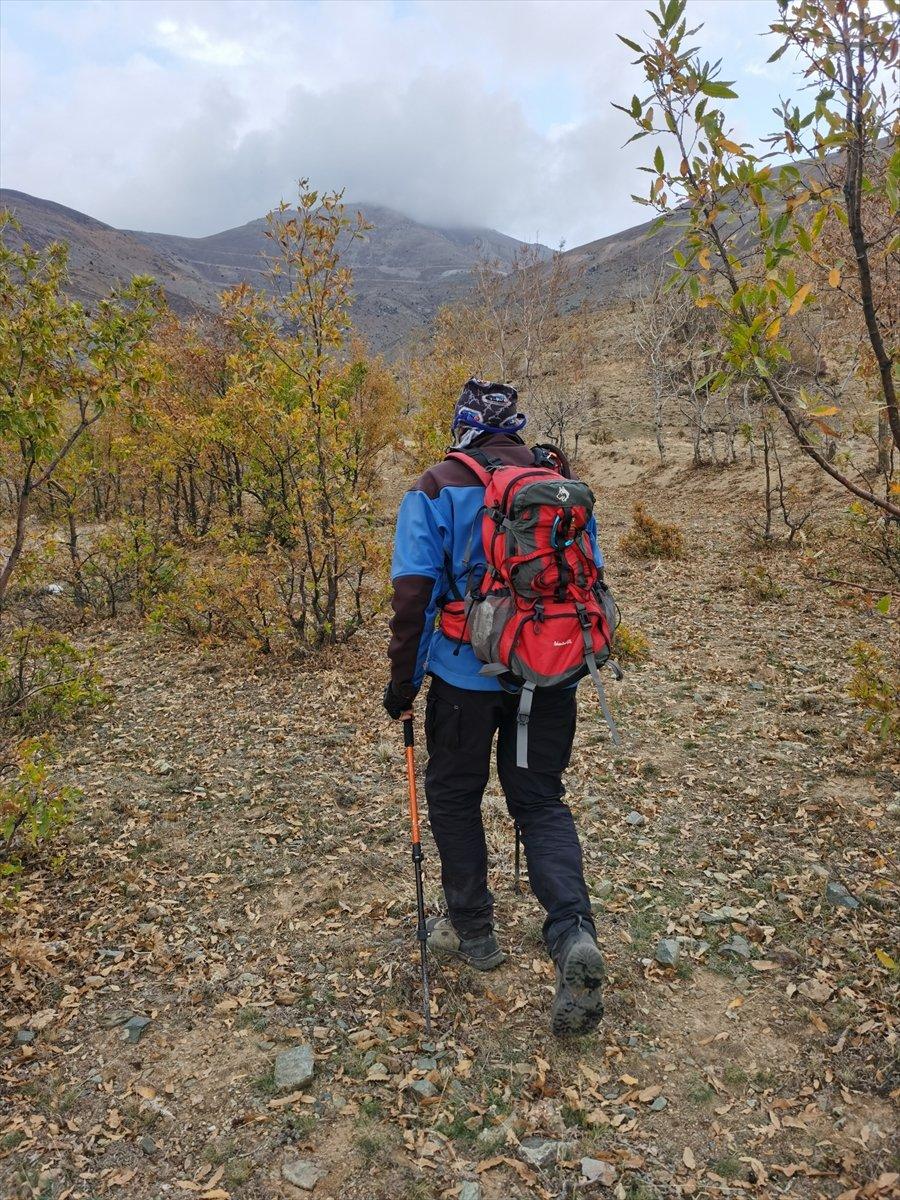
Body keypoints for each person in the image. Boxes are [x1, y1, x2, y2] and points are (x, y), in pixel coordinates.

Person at [383, 378, 606, 1036]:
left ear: (462, 426)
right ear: (515, 426)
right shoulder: (556, 485)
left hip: (464, 680)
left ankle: (473, 929)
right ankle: (572, 933)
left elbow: (413, 598)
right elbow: (587, 575)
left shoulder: (436, 486)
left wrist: (404, 686)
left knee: (454, 794)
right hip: (548, 670)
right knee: (539, 800)